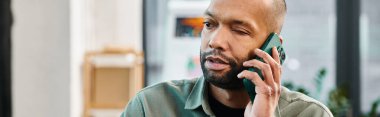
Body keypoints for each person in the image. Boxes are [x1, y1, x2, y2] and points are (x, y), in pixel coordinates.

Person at [121, 0, 333, 116]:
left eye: (239, 30)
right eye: (209, 25)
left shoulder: (311, 115)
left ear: (273, 48)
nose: (215, 41)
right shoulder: (150, 108)